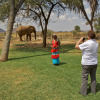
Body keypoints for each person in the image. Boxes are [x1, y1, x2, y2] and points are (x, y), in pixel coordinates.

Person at [75, 31, 99, 96]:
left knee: (84, 78)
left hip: (86, 63)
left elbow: (76, 46)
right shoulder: (96, 43)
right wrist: (84, 42)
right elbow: (88, 46)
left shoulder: (87, 43)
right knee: (93, 77)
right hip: (94, 63)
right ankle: (93, 91)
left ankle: (83, 92)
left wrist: (79, 40)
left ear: (88, 36)